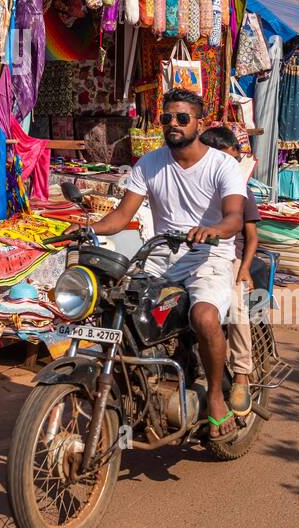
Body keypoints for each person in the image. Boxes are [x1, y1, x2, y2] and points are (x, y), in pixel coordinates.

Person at [90, 91, 246, 441]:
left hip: (209, 256)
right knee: (117, 304)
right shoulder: (149, 163)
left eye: (181, 118)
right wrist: (86, 229)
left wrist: (213, 230)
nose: (172, 124)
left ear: (199, 123)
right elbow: (120, 217)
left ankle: (217, 399)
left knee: (204, 317)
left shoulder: (223, 165)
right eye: (166, 119)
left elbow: (235, 217)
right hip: (160, 256)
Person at [200, 125, 260, 417]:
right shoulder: (195, 181)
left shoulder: (240, 188)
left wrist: (245, 268)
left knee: (237, 309)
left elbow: (251, 235)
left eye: (230, 156)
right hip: (194, 259)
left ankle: (241, 374)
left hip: (230, 260)